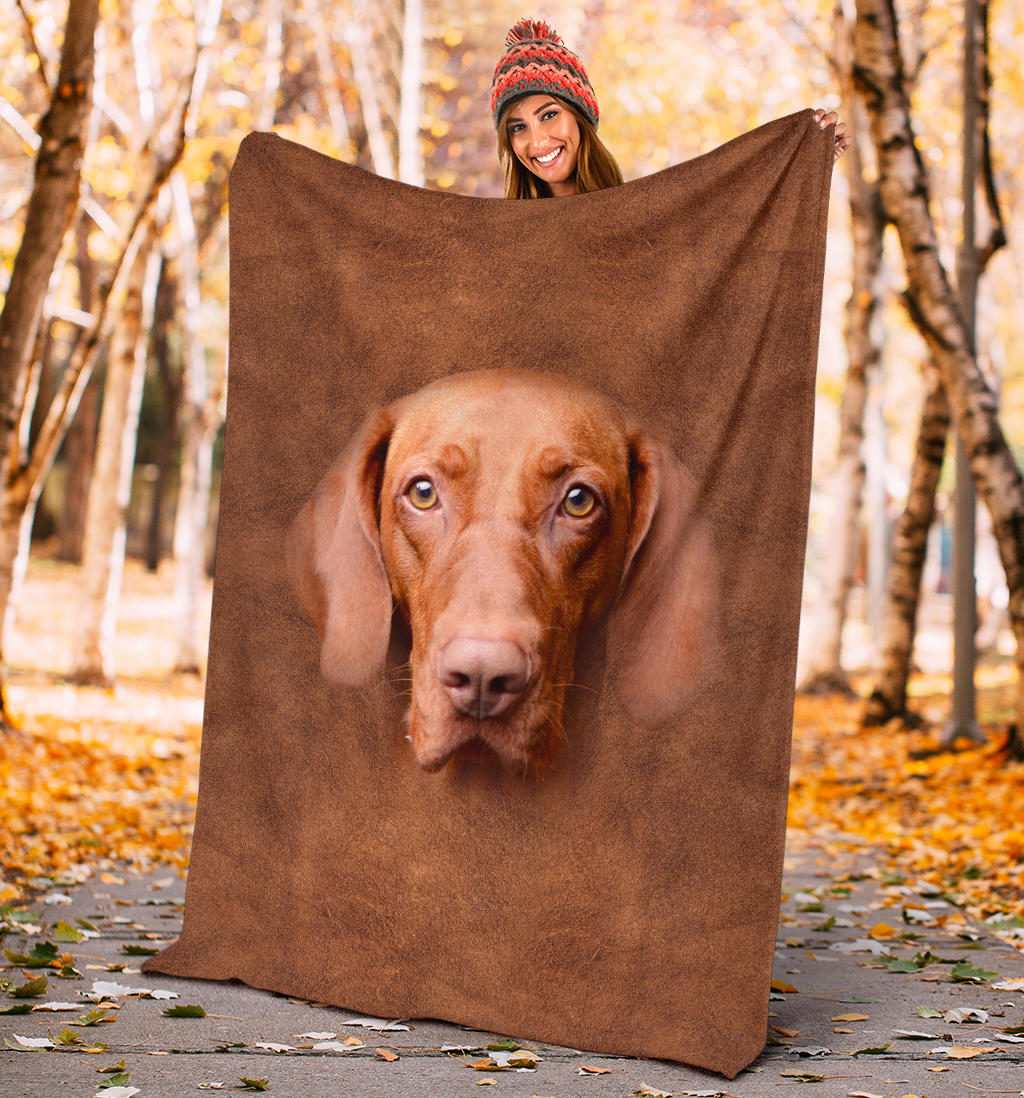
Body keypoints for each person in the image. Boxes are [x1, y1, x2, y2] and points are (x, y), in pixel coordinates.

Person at [489, 18, 851, 199]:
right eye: (517, 127)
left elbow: (727, 236)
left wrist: (801, 169)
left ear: (579, 117)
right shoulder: (501, 244)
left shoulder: (642, 218)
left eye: (549, 114)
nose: (536, 140)